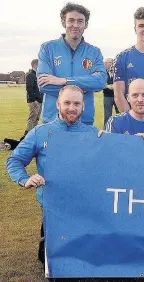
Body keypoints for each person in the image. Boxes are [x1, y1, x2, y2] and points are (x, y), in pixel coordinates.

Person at [5, 85, 98, 265]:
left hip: (83, 205)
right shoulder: (40, 132)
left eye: (76, 103)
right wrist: (25, 179)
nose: (72, 108)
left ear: (83, 106)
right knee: (50, 261)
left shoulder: (93, 134)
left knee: (82, 258)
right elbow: (14, 161)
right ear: (57, 104)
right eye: (67, 103)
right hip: (52, 205)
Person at [36, 2, 106, 125]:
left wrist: (65, 81)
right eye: (71, 20)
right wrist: (85, 86)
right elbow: (44, 85)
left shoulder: (94, 52)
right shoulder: (48, 48)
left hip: (84, 122)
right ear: (64, 22)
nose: (75, 25)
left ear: (86, 24)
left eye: (80, 21)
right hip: (53, 121)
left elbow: (100, 82)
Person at [25, 59, 42, 136]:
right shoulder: (30, 75)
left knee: (37, 118)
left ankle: (34, 134)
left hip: (39, 100)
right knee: (32, 118)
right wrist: (33, 100)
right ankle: (28, 134)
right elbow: (29, 88)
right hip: (34, 101)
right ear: (35, 65)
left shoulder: (38, 75)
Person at [103, 58, 118, 126]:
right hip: (107, 96)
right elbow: (102, 84)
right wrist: (110, 86)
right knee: (107, 115)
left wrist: (109, 86)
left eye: (107, 62)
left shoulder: (117, 72)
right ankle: (106, 130)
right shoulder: (103, 73)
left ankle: (120, 129)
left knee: (120, 114)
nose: (105, 64)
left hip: (117, 96)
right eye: (105, 62)